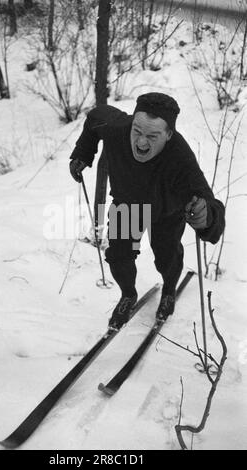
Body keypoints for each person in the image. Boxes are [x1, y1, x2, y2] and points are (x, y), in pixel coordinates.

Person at [69, 93, 225, 329]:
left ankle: (169, 290)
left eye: (152, 136)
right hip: (127, 205)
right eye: (137, 131)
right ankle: (128, 294)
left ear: (169, 135)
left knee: (167, 259)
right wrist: (83, 152)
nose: (141, 142)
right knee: (118, 257)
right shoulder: (115, 127)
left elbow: (210, 204)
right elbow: (94, 118)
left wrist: (206, 217)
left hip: (166, 213)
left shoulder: (180, 157)